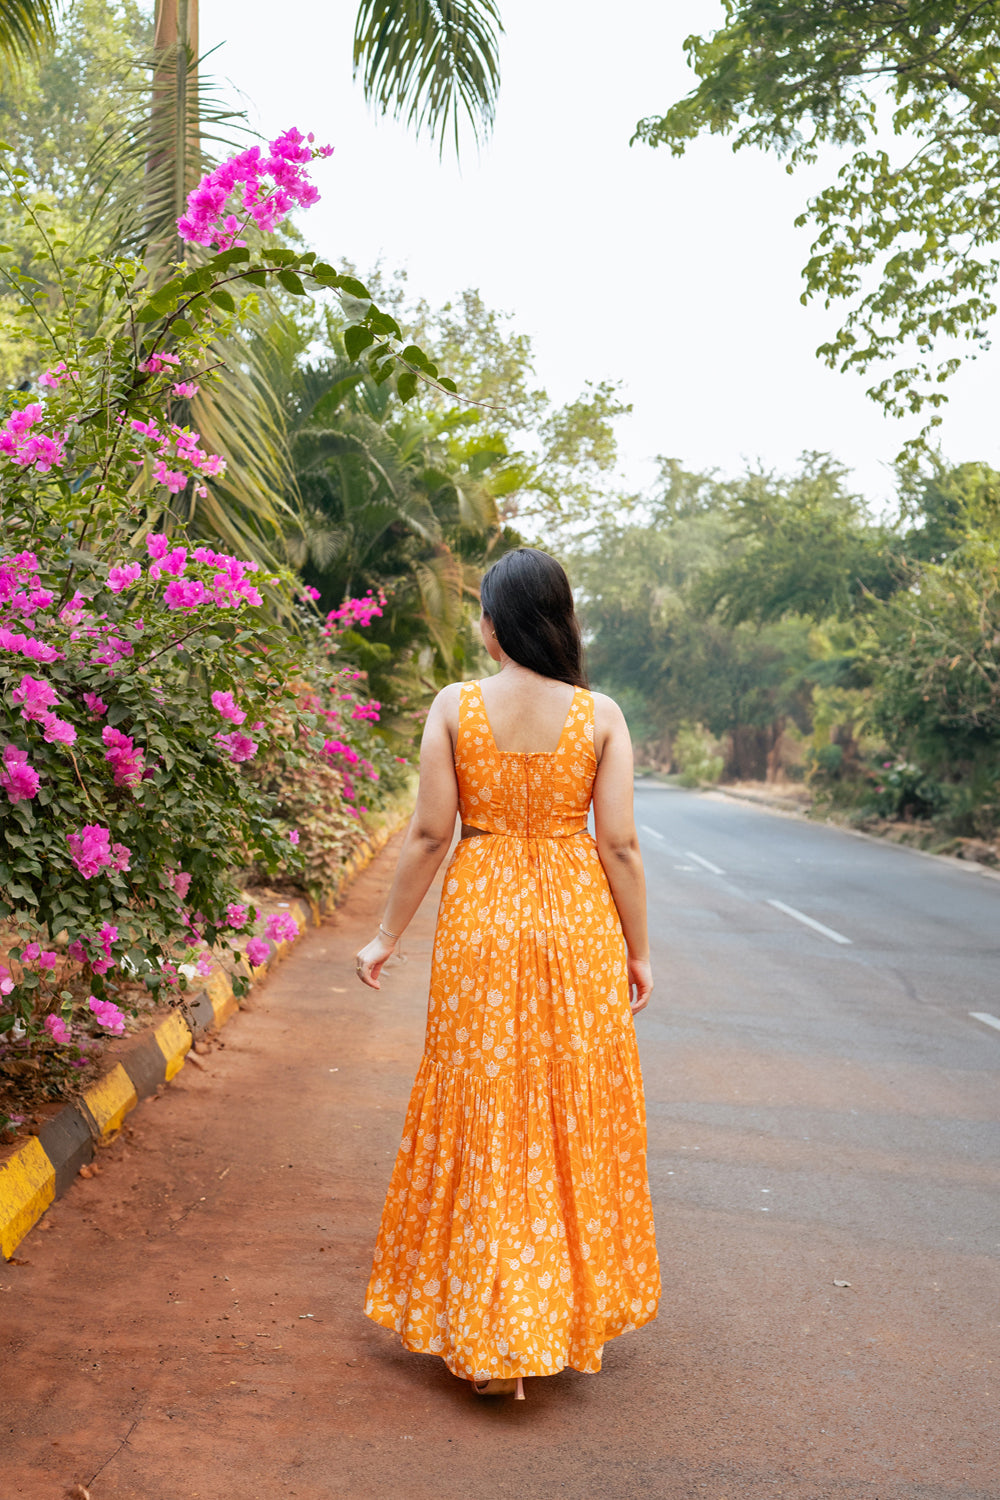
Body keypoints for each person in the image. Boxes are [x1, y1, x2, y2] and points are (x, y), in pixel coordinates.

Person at [356, 547, 660, 1400]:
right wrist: (638, 950)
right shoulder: (601, 715)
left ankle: (493, 1334)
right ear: (561, 619)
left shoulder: (456, 707)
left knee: (487, 1107)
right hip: (575, 925)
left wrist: (384, 937)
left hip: (483, 918)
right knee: (564, 1108)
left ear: (492, 625)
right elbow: (621, 845)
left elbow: (427, 836)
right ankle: (545, 1318)